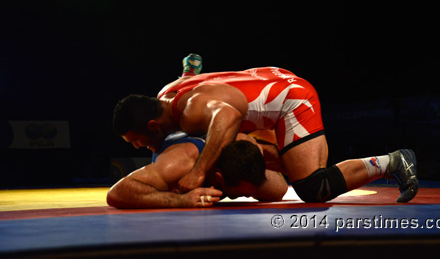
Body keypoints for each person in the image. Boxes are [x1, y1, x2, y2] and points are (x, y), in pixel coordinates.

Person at [113, 54, 418, 203]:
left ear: (153, 126)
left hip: (291, 100)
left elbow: (227, 117)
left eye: (137, 141)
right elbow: (188, 73)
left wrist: (197, 172)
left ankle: (393, 161)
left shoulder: (191, 113)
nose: (139, 147)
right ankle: (292, 155)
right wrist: (191, 68)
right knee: (251, 151)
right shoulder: (168, 93)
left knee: (313, 187)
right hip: (268, 79)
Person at [107, 131, 288, 208]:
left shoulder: (247, 147)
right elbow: (116, 194)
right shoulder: (181, 162)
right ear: (219, 178)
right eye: (241, 193)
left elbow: (279, 189)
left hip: (218, 138)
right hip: (177, 139)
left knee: (276, 190)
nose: (249, 196)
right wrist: (179, 200)